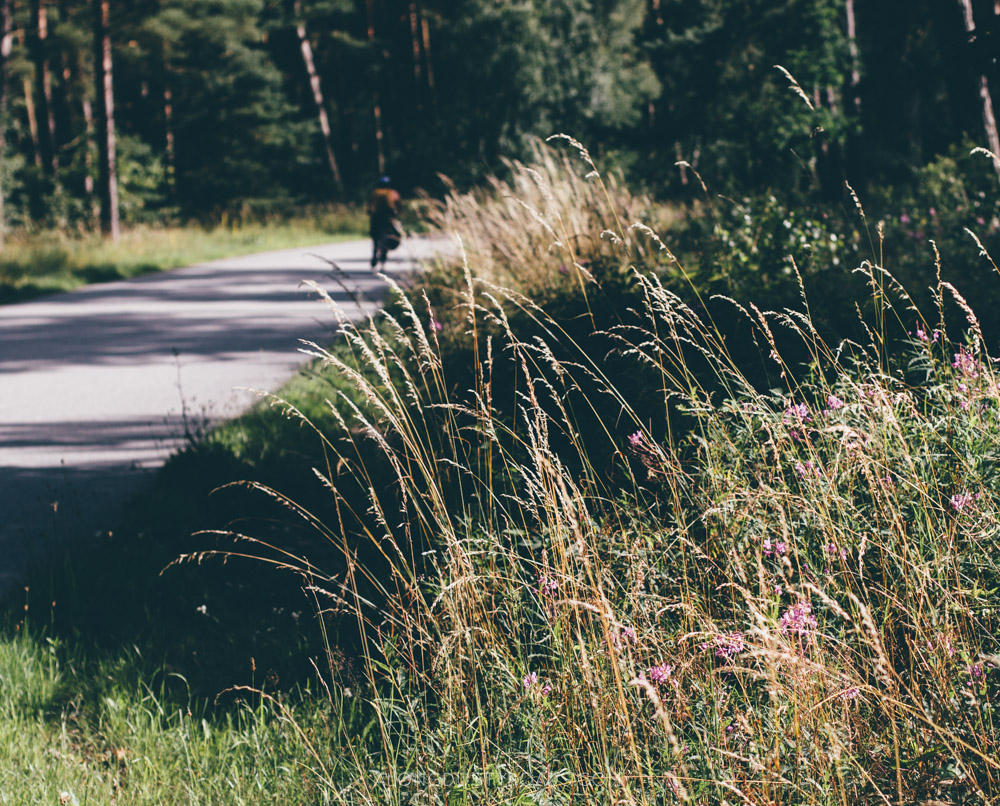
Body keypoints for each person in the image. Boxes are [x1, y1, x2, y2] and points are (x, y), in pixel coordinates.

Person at [367, 175, 402, 268]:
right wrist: (397, 215)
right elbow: (398, 205)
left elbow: (369, 205)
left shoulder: (375, 192)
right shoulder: (393, 193)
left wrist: (369, 212)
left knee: (375, 236)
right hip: (388, 217)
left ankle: (374, 254)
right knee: (391, 234)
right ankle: (383, 255)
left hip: (376, 217)